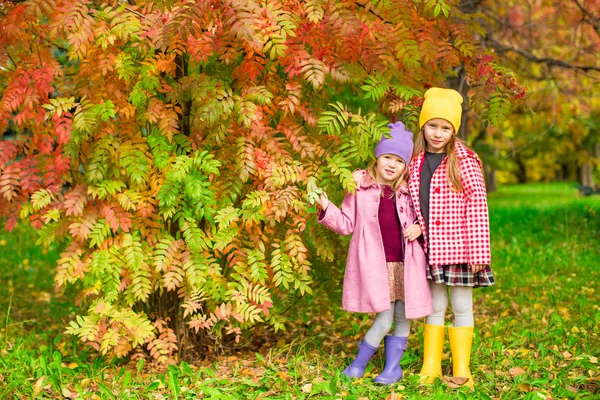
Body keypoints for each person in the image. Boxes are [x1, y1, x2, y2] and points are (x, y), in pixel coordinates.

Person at [315, 121, 432, 385]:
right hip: (377, 265)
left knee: (403, 315)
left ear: (405, 166)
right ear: (377, 158)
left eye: (399, 161)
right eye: (387, 157)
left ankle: (392, 368)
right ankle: (358, 364)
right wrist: (326, 207)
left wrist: (418, 228)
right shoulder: (359, 186)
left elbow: (424, 219)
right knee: (384, 317)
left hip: (406, 264)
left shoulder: (407, 191)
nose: (392, 164)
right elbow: (346, 224)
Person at [408, 87, 495, 388]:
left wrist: (479, 254)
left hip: (460, 250)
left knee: (461, 307)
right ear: (423, 125)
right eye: (433, 125)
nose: (438, 133)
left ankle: (462, 368)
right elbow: (411, 201)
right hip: (430, 250)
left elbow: (478, 207)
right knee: (434, 307)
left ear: (453, 130)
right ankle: (430, 365)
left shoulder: (464, 159)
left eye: (446, 128)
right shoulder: (415, 161)